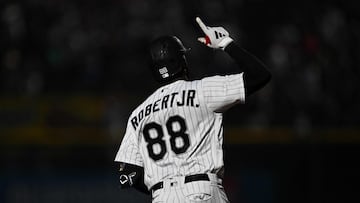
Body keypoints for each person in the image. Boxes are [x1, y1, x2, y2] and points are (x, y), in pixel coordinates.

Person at [114, 17, 271, 202]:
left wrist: (165, 188)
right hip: (201, 190)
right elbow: (260, 76)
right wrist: (226, 43)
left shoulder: (137, 115)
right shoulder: (202, 90)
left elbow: (129, 173)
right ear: (182, 60)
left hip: (162, 197)